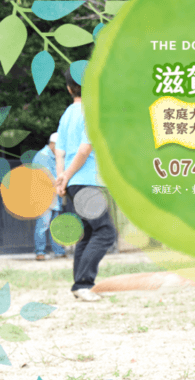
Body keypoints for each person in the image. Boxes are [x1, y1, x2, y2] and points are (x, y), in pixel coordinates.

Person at [54, 70, 115, 302]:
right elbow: (85, 148)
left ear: (69, 88)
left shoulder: (67, 114)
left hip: (73, 182)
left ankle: (80, 285)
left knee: (89, 232)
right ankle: (83, 284)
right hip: (86, 179)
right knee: (105, 231)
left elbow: (60, 150)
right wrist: (67, 175)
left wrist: (62, 178)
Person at [33, 133, 67, 261]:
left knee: (55, 225)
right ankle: (40, 252)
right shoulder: (42, 156)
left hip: (55, 197)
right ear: (53, 144)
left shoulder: (55, 157)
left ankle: (58, 251)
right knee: (43, 225)